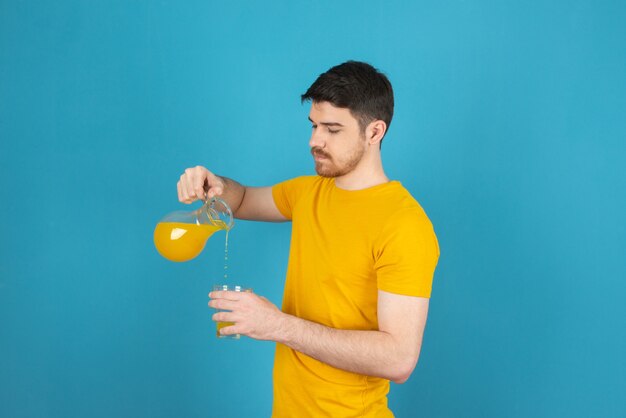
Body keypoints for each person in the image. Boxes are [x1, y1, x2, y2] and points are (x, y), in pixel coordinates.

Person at [177, 61, 440, 417]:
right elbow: (240, 200)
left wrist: (277, 325)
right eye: (314, 126)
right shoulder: (308, 193)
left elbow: (399, 359)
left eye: (332, 129)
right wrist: (215, 185)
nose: (314, 141)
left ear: (375, 132)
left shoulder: (404, 224)